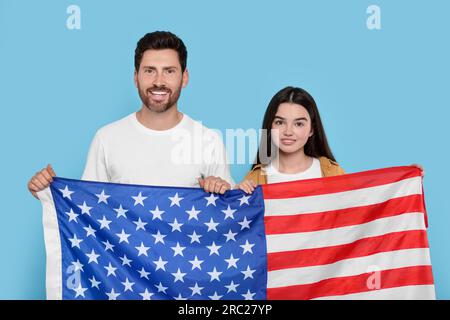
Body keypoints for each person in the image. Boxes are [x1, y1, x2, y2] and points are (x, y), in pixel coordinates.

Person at [28, 31, 234, 198]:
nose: (159, 81)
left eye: (169, 71)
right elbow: (87, 207)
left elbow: (229, 214)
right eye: (149, 70)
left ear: (184, 78)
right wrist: (48, 192)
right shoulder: (107, 138)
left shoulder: (209, 141)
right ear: (136, 77)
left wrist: (221, 189)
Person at [236, 86, 345, 193]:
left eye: (298, 124)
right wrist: (235, 196)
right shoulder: (254, 179)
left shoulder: (333, 173)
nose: (288, 132)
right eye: (280, 122)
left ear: (312, 129)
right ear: (270, 126)